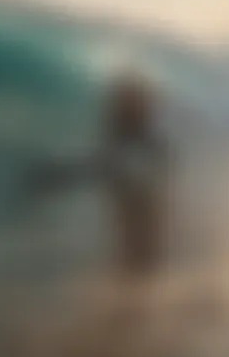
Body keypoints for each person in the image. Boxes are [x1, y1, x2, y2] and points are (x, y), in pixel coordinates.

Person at [26, 69, 169, 277]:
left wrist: (55, 177)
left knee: (136, 259)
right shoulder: (145, 148)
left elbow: (101, 169)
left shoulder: (138, 150)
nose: (108, 116)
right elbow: (99, 169)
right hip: (140, 233)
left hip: (141, 236)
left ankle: (138, 273)